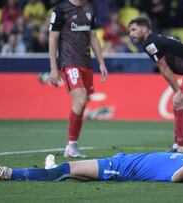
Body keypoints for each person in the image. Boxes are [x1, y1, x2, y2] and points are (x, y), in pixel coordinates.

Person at [0, 134, 183, 183]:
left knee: (63, 171)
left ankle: (7, 174)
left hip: (118, 170)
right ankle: (52, 167)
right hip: (122, 159)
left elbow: (176, 178)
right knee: (66, 172)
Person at [128, 16, 183, 154]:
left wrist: (177, 90)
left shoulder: (151, 43)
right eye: (130, 31)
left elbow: (164, 68)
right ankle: (177, 145)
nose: (131, 34)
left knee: (178, 102)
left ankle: (181, 148)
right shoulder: (152, 41)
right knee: (177, 103)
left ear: (144, 28)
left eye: (133, 29)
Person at [48, 0, 108, 158]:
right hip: (68, 62)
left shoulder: (89, 8)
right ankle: (71, 145)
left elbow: (93, 37)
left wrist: (101, 62)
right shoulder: (61, 9)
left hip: (86, 64)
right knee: (80, 99)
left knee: (81, 103)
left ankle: (72, 146)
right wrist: (53, 68)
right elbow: (53, 38)